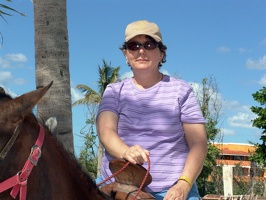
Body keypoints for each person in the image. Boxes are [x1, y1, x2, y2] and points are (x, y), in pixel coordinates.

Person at [96, 20, 207, 200]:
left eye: (149, 44)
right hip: (117, 185)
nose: (141, 51)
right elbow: (105, 130)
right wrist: (126, 152)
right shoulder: (114, 91)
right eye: (134, 45)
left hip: (172, 190)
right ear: (126, 54)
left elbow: (198, 143)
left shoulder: (181, 90)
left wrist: (184, 185)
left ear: (161, 53)